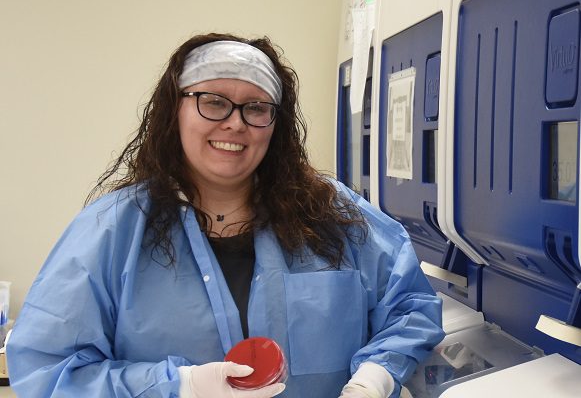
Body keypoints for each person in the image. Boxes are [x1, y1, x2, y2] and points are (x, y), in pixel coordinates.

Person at [7, 32, 445, 397]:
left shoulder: (332, 215)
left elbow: (411, 305)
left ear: (276, 125)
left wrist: (375, 378)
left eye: (256, 108)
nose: (235, 123)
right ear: (174, 109)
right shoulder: (111, 231)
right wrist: (179, 386)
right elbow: (48, 372)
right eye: (213, 101)